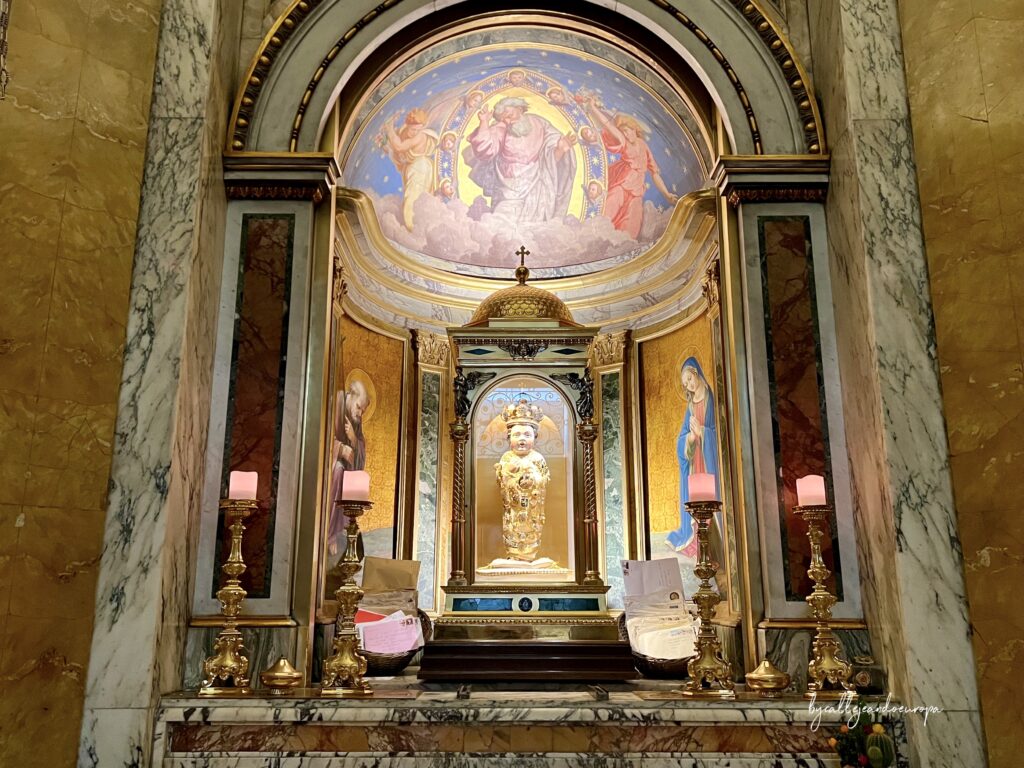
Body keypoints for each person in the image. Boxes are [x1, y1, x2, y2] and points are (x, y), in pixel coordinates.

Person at [465, 96, 578, 223]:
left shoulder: (539, 124)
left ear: (519, 109)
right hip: (508, 189)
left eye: (510, 115)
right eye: (503, 119)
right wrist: (484, 122)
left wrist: (560, 149)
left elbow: (550, 160)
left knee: (532, 227)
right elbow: (485, 149)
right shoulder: (501, 128)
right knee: (502, 221)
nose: (508, 121)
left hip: (536, 186)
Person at [582, 97, 678, 238]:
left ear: (634, 129)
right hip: (621, 184)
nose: (625, 134)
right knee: (607, 213)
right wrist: (593, 108)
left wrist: (667, 194)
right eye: (623, 132)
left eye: (627, 130)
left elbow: (654, 173)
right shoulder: (623, 141)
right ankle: (591, 236)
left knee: (631, 228)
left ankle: (618, 246)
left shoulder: (644, 146)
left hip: (636, 192)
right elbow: (607, 125)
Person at [667, 357, 719, 556]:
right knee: (695, 497)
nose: (688, 385)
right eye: (685, 383)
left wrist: (703, 432)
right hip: (695, 460)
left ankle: (711, 545)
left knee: (708, 498)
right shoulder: (690, 406)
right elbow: (682, 436)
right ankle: (696, 542)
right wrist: (689, 438)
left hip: (708, 459)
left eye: (689, 379)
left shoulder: (710, 399)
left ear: (696, 373)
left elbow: (719, 432)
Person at [495, 399, 551, 562]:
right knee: (512, 527)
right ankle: (514, 555)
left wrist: (532, 478)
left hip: (531, 509)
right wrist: (510, 475)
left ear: (535, 437)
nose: (522, 439)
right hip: (514, 508)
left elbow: (545, 479)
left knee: (531, 529)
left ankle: (529, 555)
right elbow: (502, 481)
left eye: (527, 435)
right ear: (509, 438)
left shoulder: (538, 458)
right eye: (516, 435)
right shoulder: (507, 458)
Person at [326, 379, 371, 554]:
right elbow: (321, 435)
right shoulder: (334, 403)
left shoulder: (356, 419)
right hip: (328, 468)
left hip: (345, 467)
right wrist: (340, 449)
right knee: (338, 469)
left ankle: (338, 532)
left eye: (363, 411)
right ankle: (328, 533)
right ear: (351, 395)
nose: (360, 413)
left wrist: (353, 439)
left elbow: (361, 448)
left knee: (347, 476)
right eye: (359, 407)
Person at [383, 108, 438, 230]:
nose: (415, 132)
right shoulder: (403, 133)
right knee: (414, 196)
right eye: (413, 129)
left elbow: (399, 147)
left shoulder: (420, 136)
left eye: (418, 129)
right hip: (415, 168)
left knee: (413, 197)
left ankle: (412, 225)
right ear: (407, 125)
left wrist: (389, 129)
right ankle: (416, 226)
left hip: (420, 168)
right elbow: (397, 152)